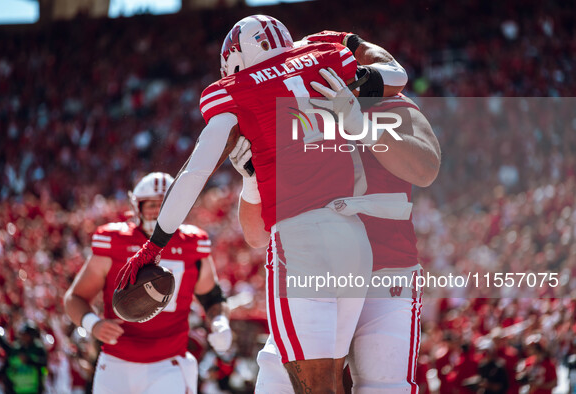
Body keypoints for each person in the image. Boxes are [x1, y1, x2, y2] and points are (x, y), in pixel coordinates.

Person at [117, 15, 384, 393]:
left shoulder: (233, 90)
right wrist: (351, 41)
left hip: (300, 238)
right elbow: (395, 76)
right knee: (335, 379)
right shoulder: (325, 56)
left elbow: (195, 173)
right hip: (355, 237)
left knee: (316, 386)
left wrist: (154, 243)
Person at [235, 30, 440, 393]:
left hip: (385, 269)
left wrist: (362, 127)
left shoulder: (388, 104)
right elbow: (256, 236)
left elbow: (425, 167)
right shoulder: (288, 121)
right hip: (314, 269)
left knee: (384, 385)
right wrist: (254, 180)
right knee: (277, 382)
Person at [63, 172, 232, 394]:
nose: (158, 210)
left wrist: (220, 322)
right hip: (117, 362)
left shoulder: (193, 244)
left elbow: (212, 298)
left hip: (168, 363)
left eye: (166, 204)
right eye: (151, 204)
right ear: (137, 206)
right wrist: (93, 323)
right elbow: (74, 298)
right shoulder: (114, 241)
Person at [0, 321, 48, 394]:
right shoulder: (17, 349)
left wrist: (29, 360)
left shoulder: (39, 349)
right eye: (23, 334)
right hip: (17, 390)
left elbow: (44, 365)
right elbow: (5, 349)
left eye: (27, 335)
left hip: (34, 390)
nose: (24, 337)